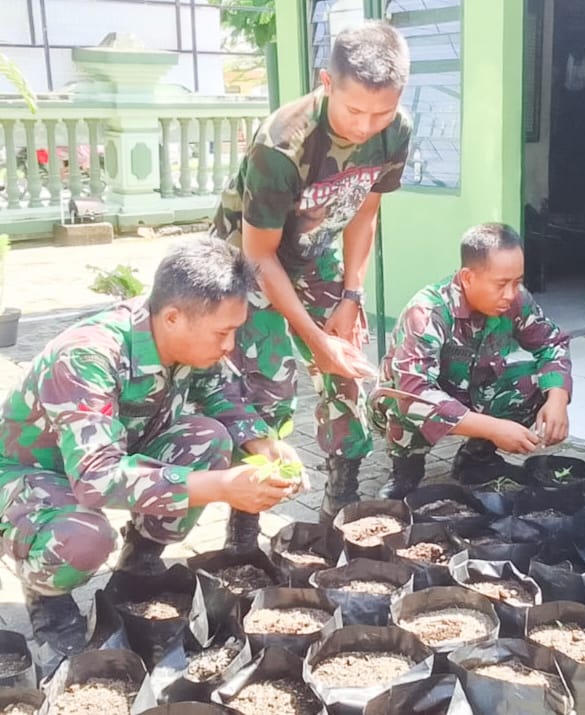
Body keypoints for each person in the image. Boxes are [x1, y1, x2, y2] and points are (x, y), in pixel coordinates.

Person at [0, 239, 300, 659]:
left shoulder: (186, 330)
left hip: (114, 453)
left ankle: (139, 560)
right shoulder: (87, 356)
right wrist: (220, 487)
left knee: (209, 438)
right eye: (224, 333)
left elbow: (220, 395)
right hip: (34, 475)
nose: (230, 345)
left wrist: (263, 442)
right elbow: (96, 479)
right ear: (174, 317)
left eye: (234, 330)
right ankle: (47, 597)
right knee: (83, 537)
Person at [212, 21, 412, 542]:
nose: (367, 125)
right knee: (267, 387)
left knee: (346, 369)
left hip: (315, 255)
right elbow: (259, 255)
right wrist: (312, 338)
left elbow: (366, 212)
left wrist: (351, 295)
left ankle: (340, 494)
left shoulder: (397, 131)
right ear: (327, 82)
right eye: (354, 110)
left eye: (381, 111)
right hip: (245, 266)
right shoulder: (282, 143)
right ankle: (246, 518)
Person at [371, 222, 572, 498]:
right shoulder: (428, 313)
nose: (511, 294)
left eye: (518, 281)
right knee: (408, 400)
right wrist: (495, 428)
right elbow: (412, 392)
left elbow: (552, 343)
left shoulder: (515, 300)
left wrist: (558, 400)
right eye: (501, 284)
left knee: (537, 382)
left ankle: (476, 460)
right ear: (467, 277)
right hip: (409, 404)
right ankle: (406, 470)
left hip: (473, 391)